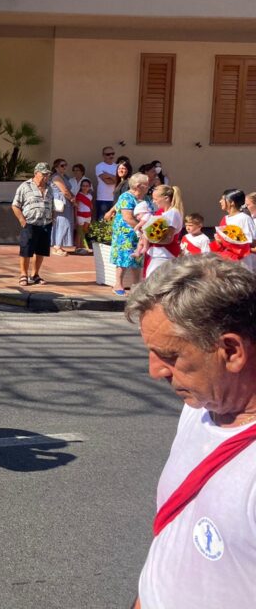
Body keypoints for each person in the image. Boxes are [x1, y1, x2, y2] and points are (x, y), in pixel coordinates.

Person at [126, 257, 256, 609]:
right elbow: (174, 539)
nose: (155, 371)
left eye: (170, 356)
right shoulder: (200, 408)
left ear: (231, 351)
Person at [11, 163, 54, 287]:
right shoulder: (25, 186)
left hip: (46, 223)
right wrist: (22, 220)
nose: (46, 176)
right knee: (26, 249)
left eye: (48, 174)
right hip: (30, 223)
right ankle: (23, 274)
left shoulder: (50, 187)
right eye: (44, 174)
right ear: (36, 173)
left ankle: (35, 274)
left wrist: (53, 217)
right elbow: (15, 205)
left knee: (41, 250)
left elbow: (52, 204)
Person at [110, 173, 152, 296]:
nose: (148, 186)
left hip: (140, 232)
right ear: (138, 186)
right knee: (123, 258)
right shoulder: (126, 197)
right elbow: (127, 217)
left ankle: (136, 285)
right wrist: (142, 229)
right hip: (125, 233)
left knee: (138, 259)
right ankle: (118, 284)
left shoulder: (146, 198)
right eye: (146, 184)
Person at [140, 184, 185, 279]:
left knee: (154, 282)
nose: (154, 201)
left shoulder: (172, 213)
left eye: (156, 199)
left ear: (166, 198)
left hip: (164, 254)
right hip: (157, 253)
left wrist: (147, 238)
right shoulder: (164, 212)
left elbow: (168, 239)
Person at [218, 189, 256, 272]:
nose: (220, 201)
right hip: (227, 259)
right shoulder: (225, 219)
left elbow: (251, 242)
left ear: (231, 202)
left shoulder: (244, 218)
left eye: (223, 199)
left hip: (242, 262)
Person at [49, 159, 75, 256]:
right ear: (56, 167)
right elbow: (64, 191)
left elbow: (68, 190)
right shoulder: (56, 177)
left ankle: (58, 245)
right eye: (62, 165)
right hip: (61, 203)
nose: (64, 167)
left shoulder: (64, 177)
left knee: (65, 223)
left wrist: (73, 198)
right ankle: (57, 246)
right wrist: (72, 199)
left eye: (65, 165)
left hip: (66, 203)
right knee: (63, 223)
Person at [94, 146, 118, 220]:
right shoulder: (99, 166)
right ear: (103, 155)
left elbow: (119, 180)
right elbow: (107, 181)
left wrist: (109, 175)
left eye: (112, 154)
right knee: (102, 221)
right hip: (103, 198)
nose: (111, 156)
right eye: (108, 154)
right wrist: (115, 178)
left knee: (113, 221)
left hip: (115, 198)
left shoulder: (117, 166)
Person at [75, 178, 94, 252]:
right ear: (81, 186)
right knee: (79, 232)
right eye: (83, 186)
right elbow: (76, 206)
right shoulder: (79, 195)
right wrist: (75, 217)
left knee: (84, 231)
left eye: (87, 186)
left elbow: (90, 206)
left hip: (88, 215)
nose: (85, 187)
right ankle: (78, 247)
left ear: (89, 187)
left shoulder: (90, 196)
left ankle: (82, 246)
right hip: (80, 215)